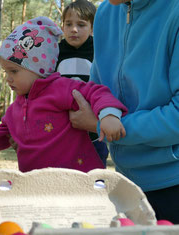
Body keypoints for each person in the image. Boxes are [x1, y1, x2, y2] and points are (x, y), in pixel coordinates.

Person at [0, 16, 127, 173]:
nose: (8, 79)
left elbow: (96, 91)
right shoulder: (15, 109)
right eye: (5, 72)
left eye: (14, 71)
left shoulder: (62, 88)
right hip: (36, 187)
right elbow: (0, 135)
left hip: (78, 182)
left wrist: (108, 115)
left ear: (39, 68)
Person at [68, 0, 179, 223]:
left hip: (172, 182)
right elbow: (98, 90)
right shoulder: (106, 13)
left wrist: (102, 125)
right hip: (123, 184)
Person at [55, 0, 109, 166]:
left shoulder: (100, 51)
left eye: (81, 24)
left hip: (93, 131)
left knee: (94, 176)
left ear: (93, 28)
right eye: (68, 24)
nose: (74, 29)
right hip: (59, 130)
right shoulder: (54, 52)